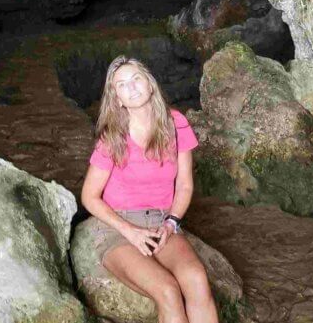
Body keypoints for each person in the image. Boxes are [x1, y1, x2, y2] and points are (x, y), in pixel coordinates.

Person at [81, 56, 217, 323]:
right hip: (117, 227)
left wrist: (171, 223)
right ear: (117, 98)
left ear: (150, 84)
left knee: (197, 280)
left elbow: (185, 184)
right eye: (121, 85)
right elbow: (89, 196)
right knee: (167, 290)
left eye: (136, 79)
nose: (131, 87)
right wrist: (130, 231)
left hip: (160, 222)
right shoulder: (113, 136)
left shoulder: (176, 124)